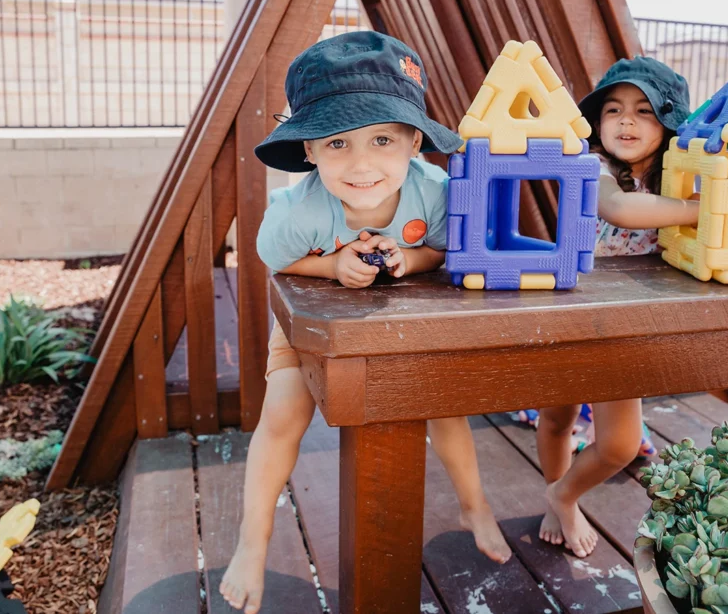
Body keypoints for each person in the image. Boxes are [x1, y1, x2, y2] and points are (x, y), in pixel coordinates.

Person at [219, 31, 512, 614]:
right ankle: (253, 539)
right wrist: (331, 266)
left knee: (448, 406)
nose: (360, 164)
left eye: (382, 140)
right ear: (309, 151)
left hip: (408, 324)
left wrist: (412, 258)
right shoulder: (301, 210)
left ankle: (475, 503)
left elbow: (447, 250)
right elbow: (276, 259)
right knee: (281, 416)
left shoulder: (435, 192)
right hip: (312, 323)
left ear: (413, 142)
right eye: (336, 143)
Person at [534, 57, 728, 558]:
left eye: (644, 111)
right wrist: (704, 211)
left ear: (672, 125)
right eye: (613, 110)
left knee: (617, 445)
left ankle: (563, 492)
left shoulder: (679, 181)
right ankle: (560, 497)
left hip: (626, 326)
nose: (625, 121)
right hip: (571, 308)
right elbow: (619, 210)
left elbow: (716, 223)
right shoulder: (593, 168)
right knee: (556, 417)